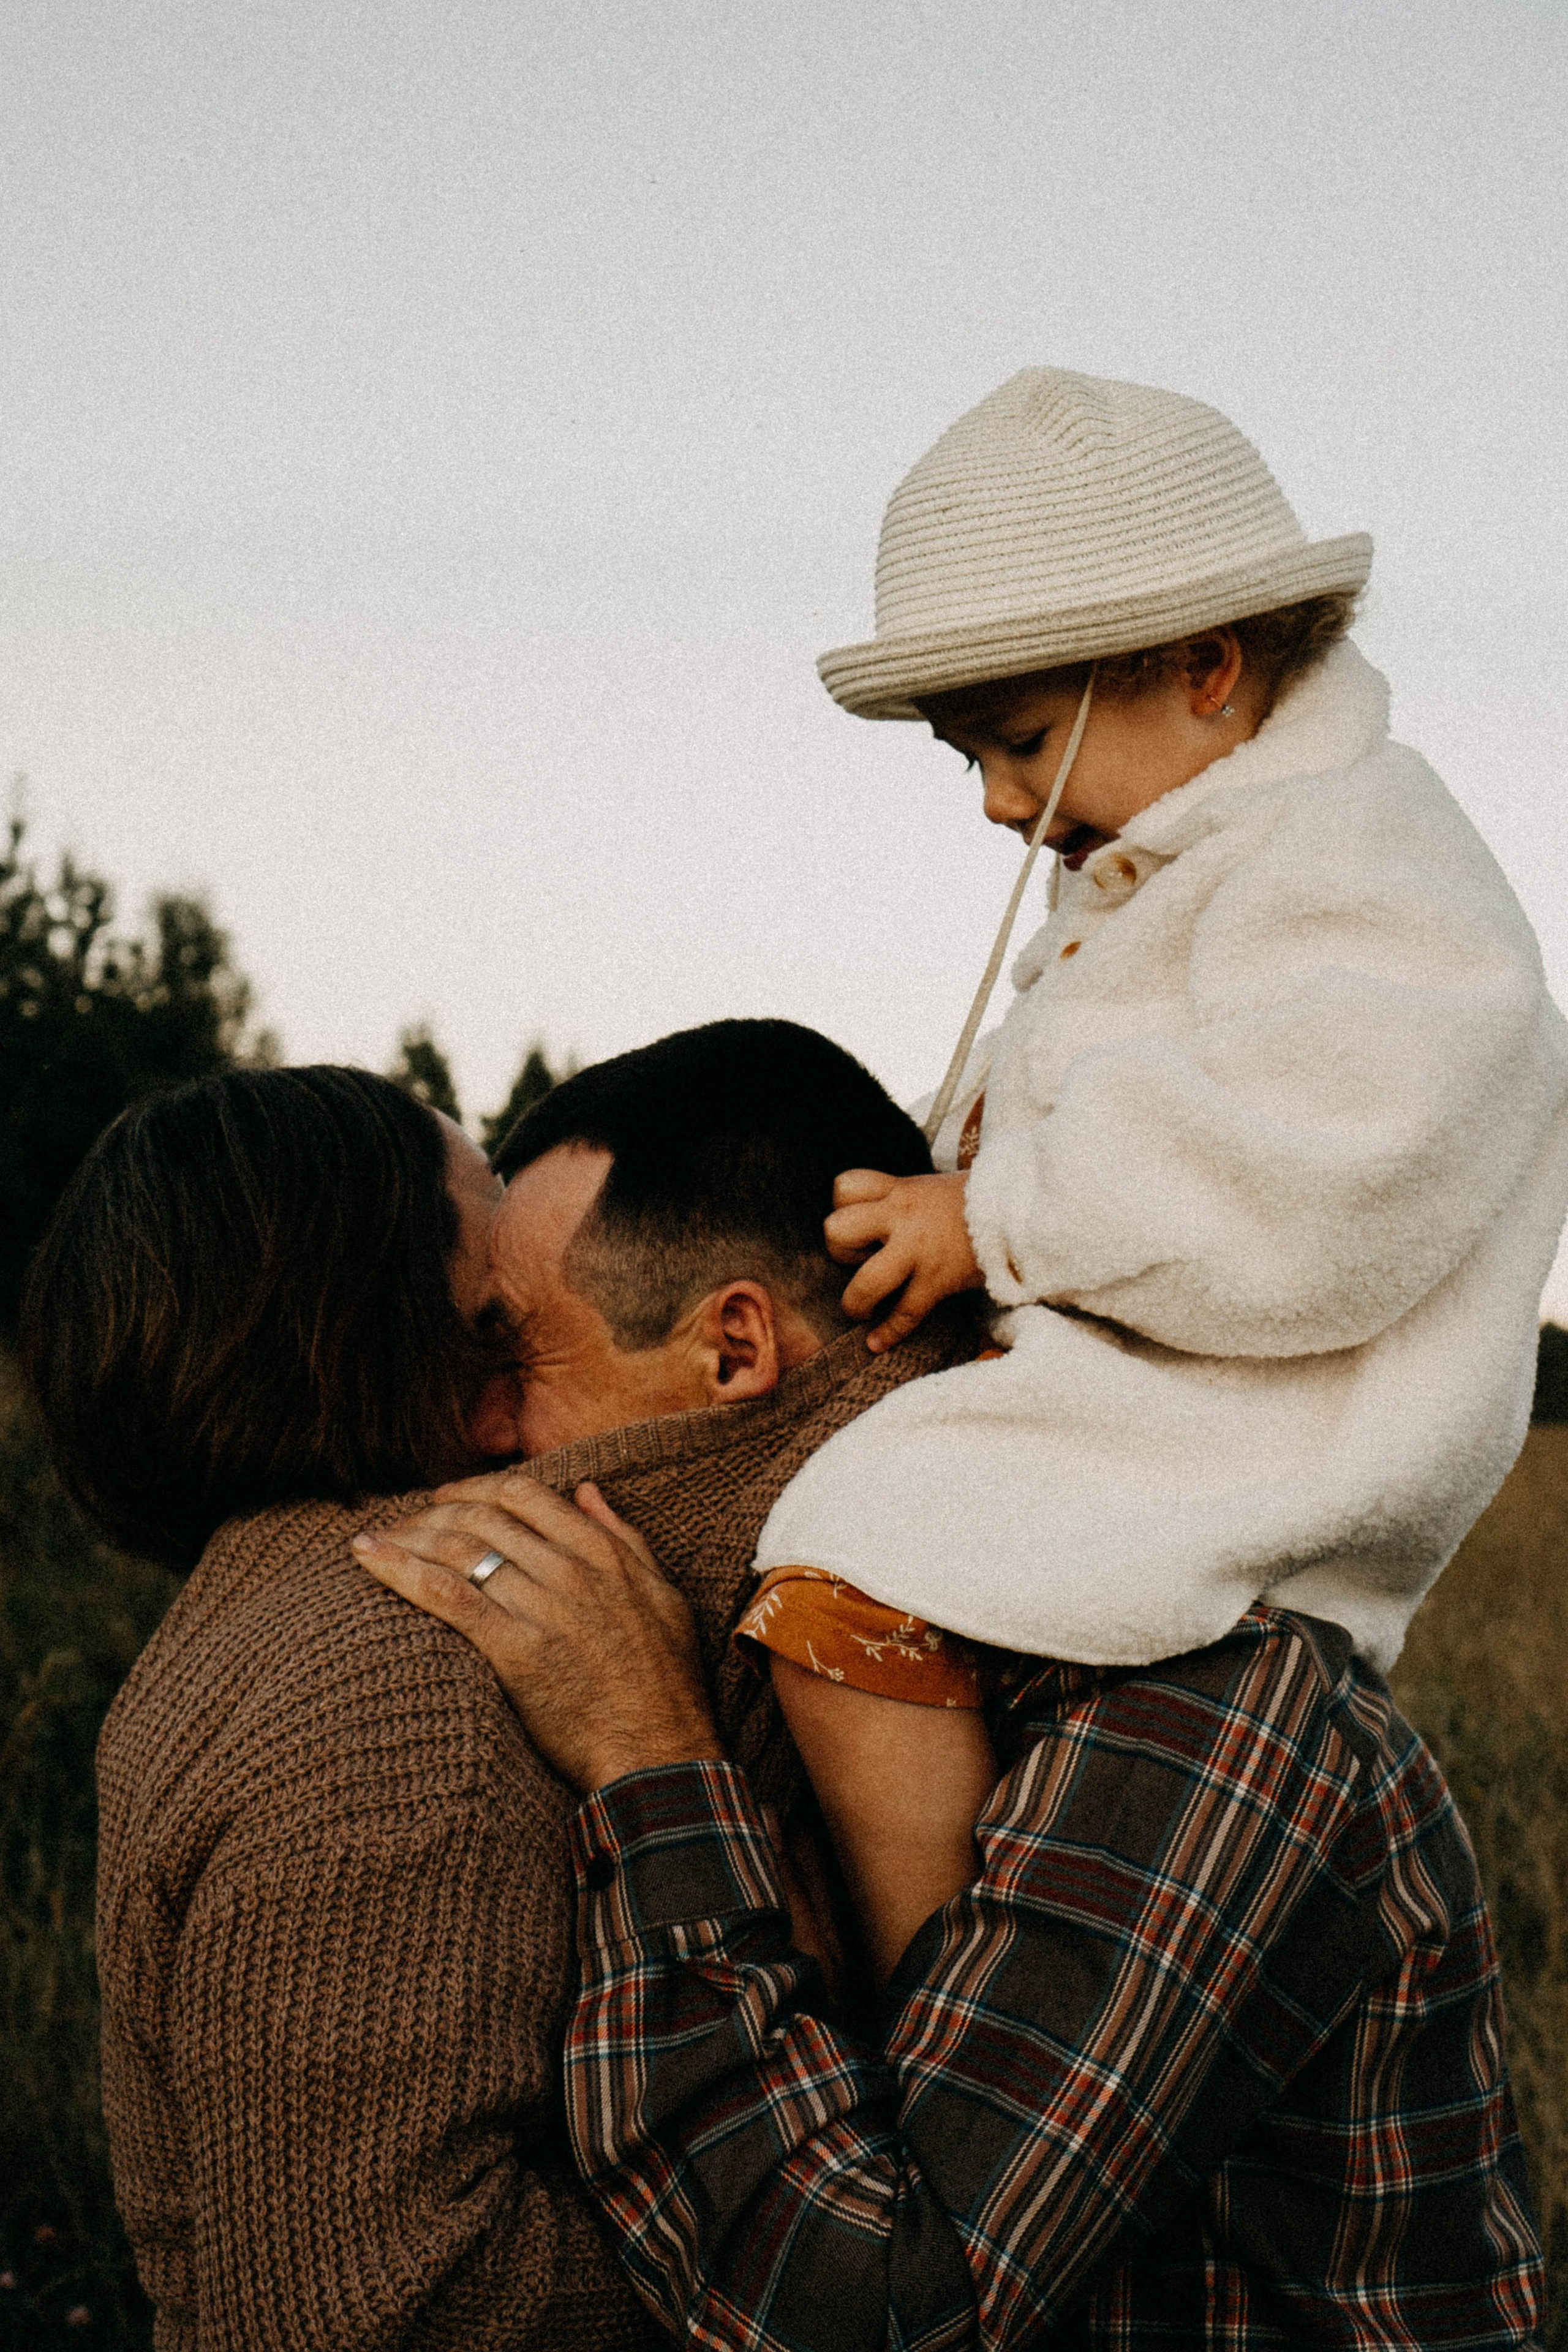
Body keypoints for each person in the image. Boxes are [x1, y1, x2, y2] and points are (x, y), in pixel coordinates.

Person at [21, 1028, 987, 2348]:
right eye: (497, 1325)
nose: (507, 1414)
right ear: (372, 1330)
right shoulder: (404, 1691)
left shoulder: (263, 1623)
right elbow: (379, 2309)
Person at [729, 366, 1568, 1884]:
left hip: (1254, 1446)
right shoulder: (1150, 871)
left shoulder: (1362, 855)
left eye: (1018, 739)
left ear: (1200, 663)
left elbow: (1339, 1160)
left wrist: (987, 1221)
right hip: (1149, 1418)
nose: (994, 803)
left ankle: (928, 1987)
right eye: (964, 756)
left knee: (848, 1558)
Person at [360, 1463, 1547, 2350]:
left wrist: (642, 1755)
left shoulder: (1201, 1708)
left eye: (511, 1351)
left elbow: (880, 2309)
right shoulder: (911, 1680)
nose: (484, 1437)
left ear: (738, 1347)